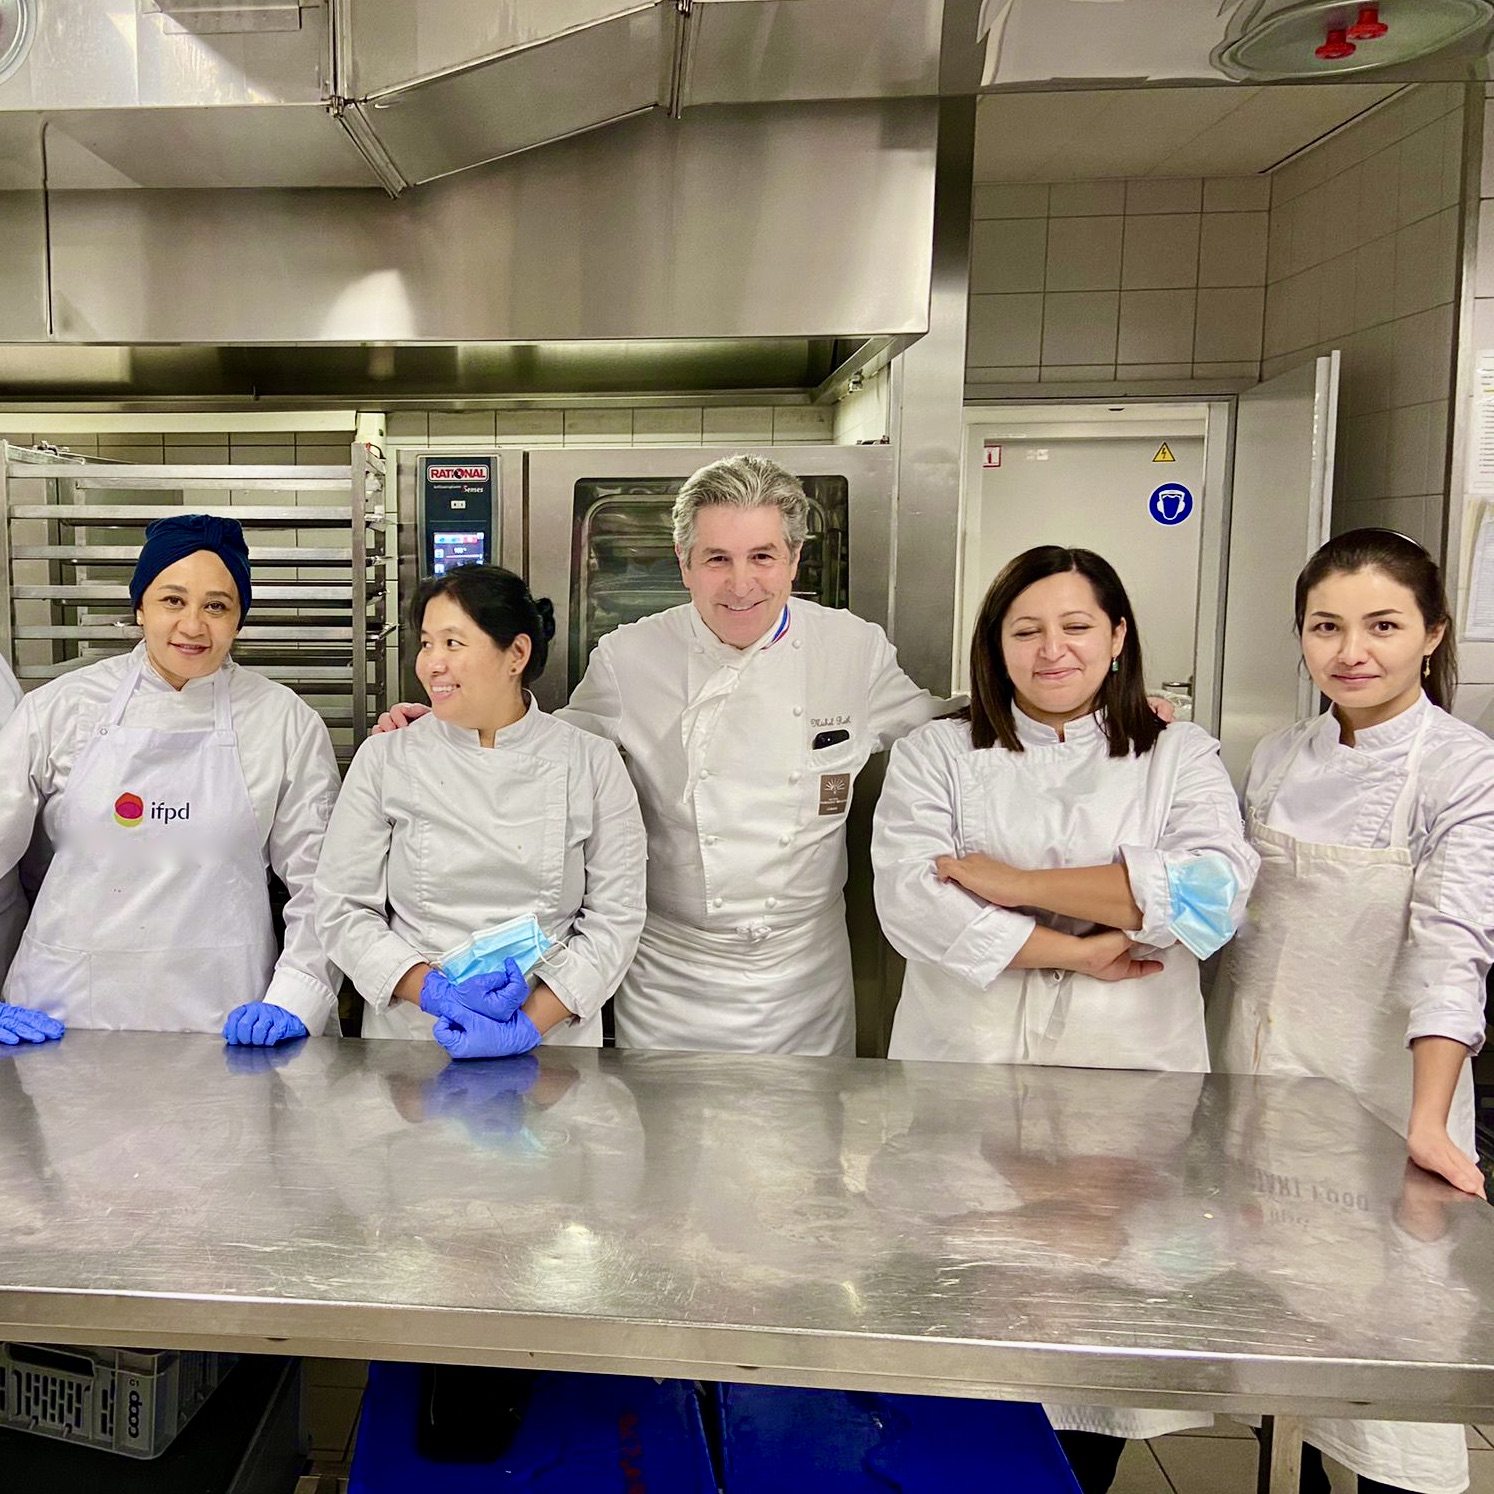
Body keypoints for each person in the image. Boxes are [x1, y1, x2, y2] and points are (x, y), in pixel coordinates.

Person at [871, 544, 1258, 1493]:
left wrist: (1012, 886)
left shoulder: (1179, 754)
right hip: (967, 1073)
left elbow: (1212, 894)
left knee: (1100, 1334)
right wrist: (1083, 945)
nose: (1053, 650)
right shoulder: (938, 753)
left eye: (1077, 626)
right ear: (994, 645)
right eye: (1027, 630)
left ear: (1118, 636)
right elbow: (912, 905)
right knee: (965, 1329)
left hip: (1125, 1081)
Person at [377, 454, 948, 1056]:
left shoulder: (853, 649)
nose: (741, 585)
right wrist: (449, 726)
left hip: (804, 973)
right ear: (684, 563)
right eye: (717, 559)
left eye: (762, 557)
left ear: (794, 558)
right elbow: (546, 752)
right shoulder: (630, 657)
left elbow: (938, 731)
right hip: (672, 974)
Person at [1210, 528, 1491, 1494]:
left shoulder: (1461, 769)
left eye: (1383, 626)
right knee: (1281, 1353)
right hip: (1258, 1088)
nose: (1351, 651)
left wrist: (1428, 1122)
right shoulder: (1278, 755)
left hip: (1382, 1096)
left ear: (1433, 634)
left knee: (1389, 1362)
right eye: (1326, 627)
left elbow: (1453, 953)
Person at [0, 513, 340, 1047]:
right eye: (172, 600)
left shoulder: (284, 722)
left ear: (239, 618)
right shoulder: (60, 709)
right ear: (140, 607)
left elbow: (322, 884)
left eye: (216, 606)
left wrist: (297, 995)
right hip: (61, 1016)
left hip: (226, 1021)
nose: (193, 626)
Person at [315, 565, 646, 1056]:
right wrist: (436, 994)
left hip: (552, 1042)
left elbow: (615, 919)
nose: (432, 664)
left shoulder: (591, 762)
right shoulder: (386, 757)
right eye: (427, 644)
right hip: (417, 1036)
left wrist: (527, 1025)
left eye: (453, 643)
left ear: (516, 654)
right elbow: (342, 908)